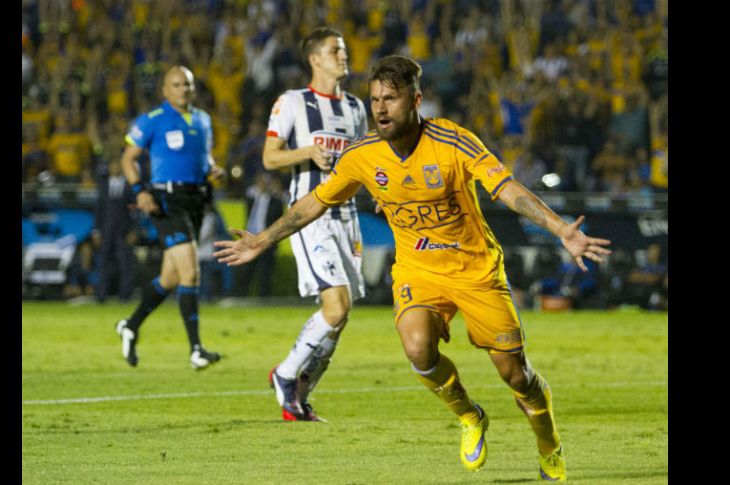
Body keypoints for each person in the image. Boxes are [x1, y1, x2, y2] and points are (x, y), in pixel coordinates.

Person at [215, 55, 612, 481]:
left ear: (416, 100)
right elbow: (314, 202)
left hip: (475, 269)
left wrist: (560, 230)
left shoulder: (454, 142)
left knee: (515, 373)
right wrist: (261, 239)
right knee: (418, 347)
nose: (381, 108)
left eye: (391, 98)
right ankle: (469, 414)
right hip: (418, 272)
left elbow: (507, 189)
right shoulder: (362, 154)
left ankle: (548, 441)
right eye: (375, 99)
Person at [260, 27, 369, 422]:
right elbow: (270, 158)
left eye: (344, 49)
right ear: (315, 59)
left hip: (348, 217)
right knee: (335, 308)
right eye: (335, 50)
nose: (344, 56)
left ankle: (299, 399)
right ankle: (285, 374)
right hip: (312, 215)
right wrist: (307, 151)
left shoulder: (357, 108)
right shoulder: (291, 102)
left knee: (339, 320)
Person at [115, 65, 224, 370]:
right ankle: (196, 350)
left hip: (196, 200)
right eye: (176, 85)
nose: (183, 90)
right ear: (165, 90)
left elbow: (205, 157)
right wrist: (140, 191)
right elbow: (128, 159)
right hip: (165, 200)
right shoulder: (152, 121)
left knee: (171, 278)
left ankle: (131, 325)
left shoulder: (203, 120)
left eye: (187, 84)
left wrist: (213, 170)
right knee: (190, 272)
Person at [94, 159, 137, 303]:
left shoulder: (129, 186)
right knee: (103, 262)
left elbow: (133, 210)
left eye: (118, 165)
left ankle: (125, 295)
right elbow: (99, 210)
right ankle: (101, 294)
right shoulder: (103, 185)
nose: (116, 167)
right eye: (113, 164)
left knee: (125, 263)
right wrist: (96, 231)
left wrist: (133, 230)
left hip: (123, 231)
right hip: (106, 230)